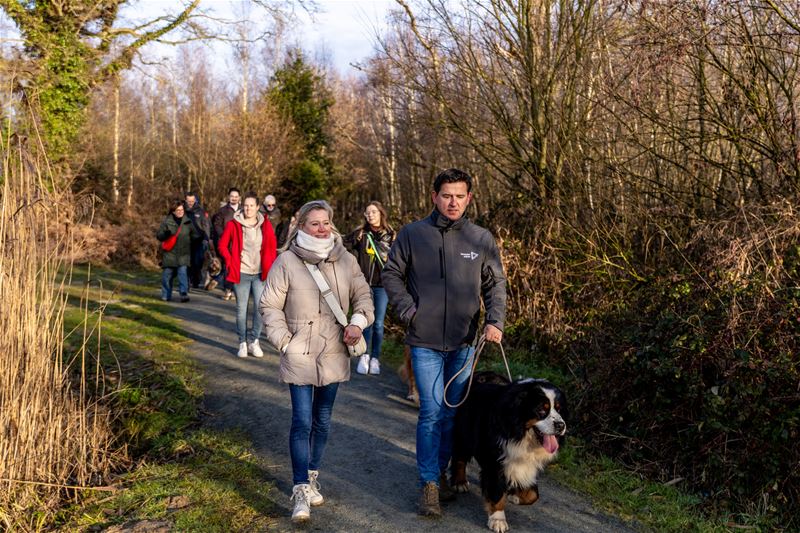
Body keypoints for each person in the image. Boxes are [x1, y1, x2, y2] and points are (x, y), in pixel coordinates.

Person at [381, 168, 507, 517]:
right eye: (446, 195)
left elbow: (495, 284)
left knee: (452, 414)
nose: (453, 202)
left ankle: (445, 472)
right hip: (424, 341)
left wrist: (494, 321)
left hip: (465, 343)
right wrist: (408, 309)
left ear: (469, 198)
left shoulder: (481, 239)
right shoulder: (413, 234)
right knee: (431, 412)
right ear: (434, 196)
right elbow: (391, 274)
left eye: (460, 196)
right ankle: (430, 484)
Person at [259, 200, 374, 523]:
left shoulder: (347, 259)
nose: (322, 228)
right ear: (301, 227)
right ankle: (299, 490)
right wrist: (284, 341)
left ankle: (310, 477)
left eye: (326, 223)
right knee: (302, 421)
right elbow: (269, 306)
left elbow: (363, 297)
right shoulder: (286, 262)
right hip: (299, 352)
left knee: (322, 419)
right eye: (315, 223)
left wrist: (357, 323)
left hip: (335, 350)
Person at [218, 192, 278, 358]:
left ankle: (254, 341)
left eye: (252, 205)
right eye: (246, 205)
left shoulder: (265, 224)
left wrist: (270, 264)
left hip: (260, 273)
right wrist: (230, 261)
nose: (248, 208)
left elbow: (272, 246)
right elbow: (222, 245)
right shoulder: (233, 224)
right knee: (241, 310)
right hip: (242, 273)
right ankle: (242, 343)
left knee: (260, 309)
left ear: (258, 207)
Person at [343, 201, 395, 375]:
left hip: (382, 285)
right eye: (367, 213)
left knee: (379, 324)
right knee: (365, 321)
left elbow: (399, 261)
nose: (370, 215)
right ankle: (364, 355)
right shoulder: (360, 234)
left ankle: (375, 358)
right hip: (363, 284)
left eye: (373, 212)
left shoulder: (391, 235)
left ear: (381, 213)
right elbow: (342, 246)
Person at [156, 199, 199, 302]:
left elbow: (195, 235)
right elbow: (159, 236)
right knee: (167, 276)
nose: (180, 212)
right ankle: (166, 294)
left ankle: (183, 293)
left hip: (183, 254)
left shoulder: (188, 222)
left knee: (183, 274)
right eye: (178, 210)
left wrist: (195, 241)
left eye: (182, 210)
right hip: (169, 254)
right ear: (173, 211)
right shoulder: (167, 222)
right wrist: (165, 234)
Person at [211, 188, 241, 300]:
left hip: (240, 242)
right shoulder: (223, 211)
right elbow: (217, 225)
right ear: (229, 197)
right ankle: (228, 289)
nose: (234, 198)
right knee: (228, 265)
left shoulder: (243, 210)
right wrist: (224, 235)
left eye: (236, 196)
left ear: (239, 198)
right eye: (232, 196)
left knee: (238, 266)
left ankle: (235, 290)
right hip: (227, 243)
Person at [184, 191, 211, 289]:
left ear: (195, 200)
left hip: (199, 241)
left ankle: (196, 279)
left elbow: (206, 226)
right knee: (186, 261)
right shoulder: (182, 210)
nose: (190, 202)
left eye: (192, 201)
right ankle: (187, 281)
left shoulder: (201, 211)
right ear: (185, 200)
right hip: (185, 241)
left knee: (197, 261)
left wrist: (206, 239)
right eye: (188, 201)